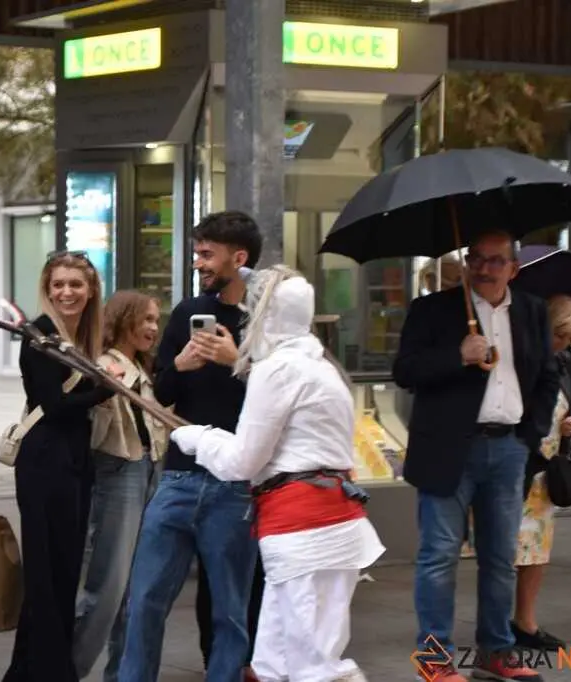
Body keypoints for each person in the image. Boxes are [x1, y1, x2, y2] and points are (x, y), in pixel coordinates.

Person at [171, 265, 384, 682]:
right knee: (275, 658)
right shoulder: (322, 367)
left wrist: (197, 437)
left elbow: (242, 461)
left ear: (264, 315)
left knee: (311, 664)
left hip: (304, 531)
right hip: (321, 526)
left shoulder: (279, 369)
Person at [393, 230, 559, 682]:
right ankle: (434, 658)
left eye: (495, 261)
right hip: (449, 449)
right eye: (476, 259)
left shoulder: (531, 310)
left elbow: (547, 374)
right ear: (466, 262)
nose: (484, 269)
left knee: (501, 556)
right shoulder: (433, 310)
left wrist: (529, 435)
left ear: (514, 268)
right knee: (439, 556)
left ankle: (496, 651)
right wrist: (457, 355)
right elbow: (405, 371)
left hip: (508, 449)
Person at [119, 211, 262, 682]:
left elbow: (281, 399)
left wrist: (236, 360)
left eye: (207, 254)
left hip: (236, 483)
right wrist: (177, 366)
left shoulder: (265, 323)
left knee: (230, 611)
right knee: (144, 600)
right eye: (197, 253)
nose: (198, 262)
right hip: (179, 476)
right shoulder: (187, 313)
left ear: (238, 258)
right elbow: (159, 399)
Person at [4, 251, 119, 682]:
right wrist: (104, 391)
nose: (66, 292)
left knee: (64, 571)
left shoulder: (79, 339)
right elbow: (55, 406)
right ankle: (51, 672)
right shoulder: (41, 338)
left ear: (90, 291)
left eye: (75, 284)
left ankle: (30, 672)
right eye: (58, 285)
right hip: (44, 461)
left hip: (73, 459)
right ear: (47, 289)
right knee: (48, 575)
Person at [74, 290, 169, 681]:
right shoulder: (106, 367)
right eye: (145, 319)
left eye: (155, 319)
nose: (153, 327)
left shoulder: (141, 368)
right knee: (108, 588)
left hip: (148, 470)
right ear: (123, 319)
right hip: (120, 473)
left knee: (134, 588)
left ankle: (122, 675)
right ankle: (69, 669)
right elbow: (96, 431)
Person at [513, 295, 571, 652]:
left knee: (537, 552)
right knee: (509, 550)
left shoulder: (561, 362)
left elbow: (565, 404)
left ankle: (525, 621)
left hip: (546, 469)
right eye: (562, 336)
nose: (565, 345)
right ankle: (501, 625)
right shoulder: (522, 358)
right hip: (521, 464)